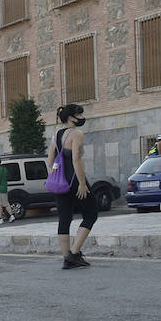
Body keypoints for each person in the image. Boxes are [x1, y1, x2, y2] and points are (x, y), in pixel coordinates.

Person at [49, 103, 98, 269]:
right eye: (80, 114)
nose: (82, 117)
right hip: (75, 181)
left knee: (64, 218)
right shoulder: (76, 133)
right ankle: (74, 253)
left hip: (60, 182)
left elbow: (50, 161)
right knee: (91, 214)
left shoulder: (55, 135)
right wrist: (82, 183)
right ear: (71, 117)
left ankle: (66, 258)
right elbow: (76, 158)